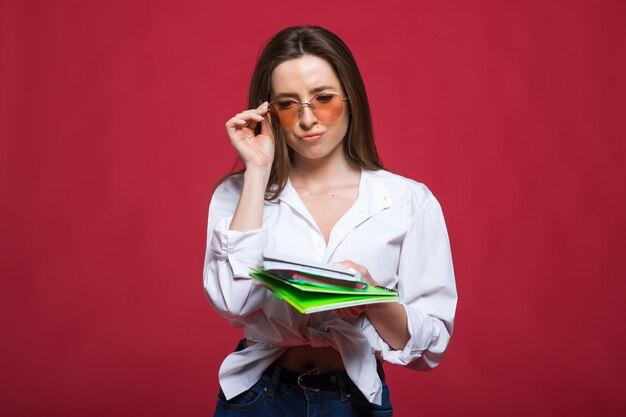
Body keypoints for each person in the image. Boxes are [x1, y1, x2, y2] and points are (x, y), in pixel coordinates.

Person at [203, 25, 457, 416]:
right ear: (268, 111)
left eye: (323, 99)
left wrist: (373, 297)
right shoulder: (237, 194)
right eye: (288, 104)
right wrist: (257, 169)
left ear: (350, 98)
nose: (308, 119)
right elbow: (232, 304)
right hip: (257, 399)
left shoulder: (409, 201)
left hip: (353, 400)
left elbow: (432, 344)